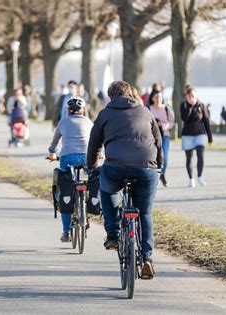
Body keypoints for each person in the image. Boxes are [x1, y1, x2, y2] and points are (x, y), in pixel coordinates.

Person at [87, 80, 162, 279]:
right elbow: (158, 141)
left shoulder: (105, 113)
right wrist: (159, 165)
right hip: (146, 168)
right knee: (144, 212)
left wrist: (92, 167)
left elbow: (94, 144)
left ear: (111, 96)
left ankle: (112, 234)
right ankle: (146, 257)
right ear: (130, 93)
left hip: (115, 167)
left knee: (107, 189)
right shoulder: (146, 111)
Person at [48, 96, 93, 242]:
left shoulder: (63, 121)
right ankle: (86, 205)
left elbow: (54, 143)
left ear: (69, 111)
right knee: (90, 177)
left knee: (64, 185)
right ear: (83, 110)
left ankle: (66, 231)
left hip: (67, 157)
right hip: (87, 157)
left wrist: (51, 152)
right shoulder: (88, 122)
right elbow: (96, 140)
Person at [180, 86, 212, 187]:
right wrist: (190, 107)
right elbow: (185, 118)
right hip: (187, 135)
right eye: (189, 96)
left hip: (200, 134)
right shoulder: (183, 105)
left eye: (193, 95)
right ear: (186, 97)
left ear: (196, 95)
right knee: (189, 158)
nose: (191, 97)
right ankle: (191, 179)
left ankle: (200, 177)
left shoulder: (201, 105)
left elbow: (206, 120)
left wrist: (210, 136)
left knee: (200, 154)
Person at [148, 89, 175, 187]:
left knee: (165, 158)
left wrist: (165, 125)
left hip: (165, 136)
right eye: (156, 97)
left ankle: (162, 175)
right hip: (151, 137)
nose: (158, 99)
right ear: (152, 98)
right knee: (153, 157)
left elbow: (172, 122)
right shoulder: (148, 109)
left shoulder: (167, 109)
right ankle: (154, 177)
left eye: (160, 97)